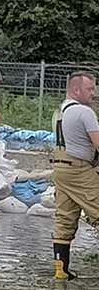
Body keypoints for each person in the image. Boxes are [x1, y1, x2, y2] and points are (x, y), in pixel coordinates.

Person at [51, 72, 99, 280]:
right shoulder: (84, 112)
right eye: (90, 89)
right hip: (79, 169)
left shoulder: (60, 111)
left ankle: (61, 270)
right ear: (75, 89)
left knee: (64, 218)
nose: (94, 94)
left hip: (60, 168)